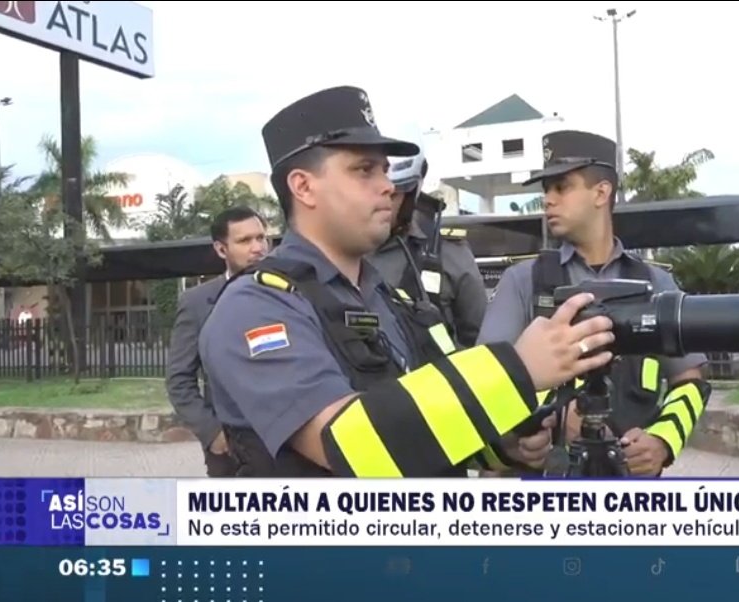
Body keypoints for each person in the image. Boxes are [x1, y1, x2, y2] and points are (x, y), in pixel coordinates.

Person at [197, 86, 616, 478]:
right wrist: (517, 369)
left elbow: (432, 420)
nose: (387, 186)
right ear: (304, 187)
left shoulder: (396, 300)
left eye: (384, 170)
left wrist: (502, 445)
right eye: (364, 170)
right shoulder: (256, 307)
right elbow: (347, 444)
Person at [477, 130, 710, 477]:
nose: (548, 200)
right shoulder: (524, 281)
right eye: (546, 190)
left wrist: (661, 442)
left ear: (602, 192)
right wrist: (533, 430)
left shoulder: (656, 284)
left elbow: (691, 381)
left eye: (562, 187)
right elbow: (485, 379)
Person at [165, 206, 269, 477]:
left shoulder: (290, 293)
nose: (258, 247)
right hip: (233, 450)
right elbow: (179, 379)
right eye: (245, 241)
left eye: (261, 238)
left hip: (290, 442)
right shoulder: (198, 302)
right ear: (221, 250)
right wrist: (213, 435)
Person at [368, 151, 487, 348]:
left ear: (409, 195)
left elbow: (481, 342)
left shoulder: (446, 253)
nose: (379, 202)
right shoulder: (329, 251)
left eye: (392, 194)